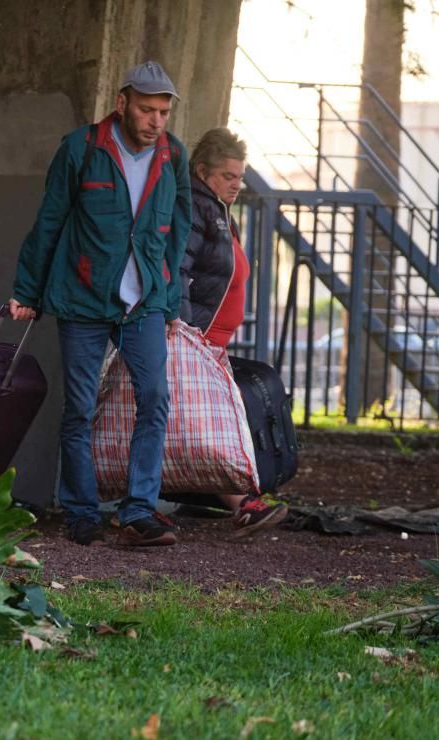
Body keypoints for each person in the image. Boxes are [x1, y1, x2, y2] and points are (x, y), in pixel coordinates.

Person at [9, 61, 191, 547]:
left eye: (164, 112)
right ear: (122, 104)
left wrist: (170, 301)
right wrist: (27, 291)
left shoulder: (174, 154)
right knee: (80, 408)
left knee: (155, 400)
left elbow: (179, 229)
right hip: (83, 298)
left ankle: (137, 512)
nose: (156, 121)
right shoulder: (81, 148)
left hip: (146, 301)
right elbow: (49, 221)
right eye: (148, 110)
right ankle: (81, 512)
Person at [179, 127, 289, 533]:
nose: (237, 185)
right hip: (197, 340)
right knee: (215, 426)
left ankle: (244, 503)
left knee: (215, 423)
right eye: (229, 176)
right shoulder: (196, 209)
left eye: (241, 177)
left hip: (212, 341)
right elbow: (180, 271)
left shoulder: (220, 211)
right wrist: (185, 331)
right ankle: (244, 504)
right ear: (203, 172)